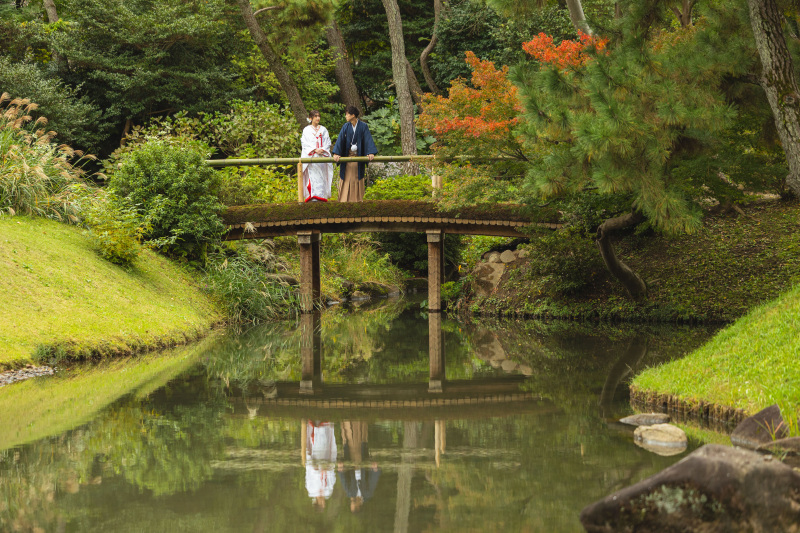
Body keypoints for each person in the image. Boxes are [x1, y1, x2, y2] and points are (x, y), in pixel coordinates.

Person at [332, 106, 378, 202]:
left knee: (358, 178)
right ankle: (344, 201)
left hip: (359, 157)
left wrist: (370, 152)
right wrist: (336, 153)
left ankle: (358, 200)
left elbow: (367, 140)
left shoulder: (363, 126)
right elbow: (340, 140)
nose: (345, 116)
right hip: (348, 158)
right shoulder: (346, 126)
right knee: (346, 178)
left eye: (347, 114)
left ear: (353, 115)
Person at [300, 110, 334, 202]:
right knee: (313, 177)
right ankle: (312, 197)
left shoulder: (323, 129)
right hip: (312, 157)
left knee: (322, 177)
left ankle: (322, 197)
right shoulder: (306, 130)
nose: (318, 118)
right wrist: (315, 149)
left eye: (319, 116)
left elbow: (328, 142)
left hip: (322, 157)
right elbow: (304, 143)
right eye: (315, 116)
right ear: (310, 118)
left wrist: (322, 149)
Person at [305, 420, 337, 510]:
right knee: (326, 440)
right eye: (324, 503)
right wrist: (328, 470)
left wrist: (317, 470)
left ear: (318, 502)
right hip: (326, 462)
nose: (324, 501)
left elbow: (309, 474)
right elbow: (332, 479)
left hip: (316, 462)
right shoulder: (328, 492)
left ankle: (316, 422)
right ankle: (325, 421)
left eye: (322, 503)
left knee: (318, 442)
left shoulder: (311, 489)